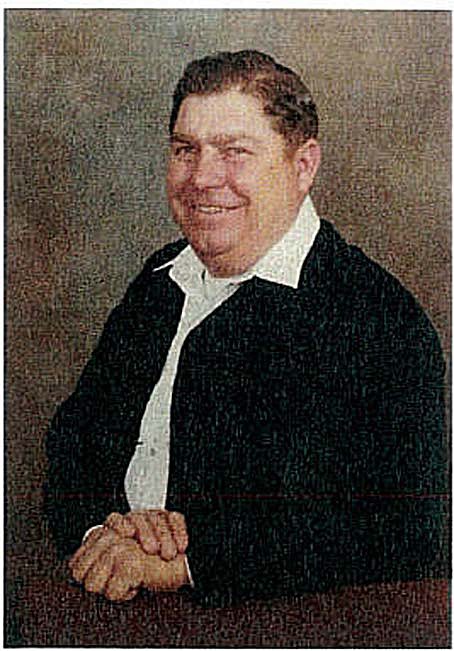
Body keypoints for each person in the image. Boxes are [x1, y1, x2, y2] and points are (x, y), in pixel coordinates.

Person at [45, 50, 448, 607]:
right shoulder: (159, 282)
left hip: (276, 628)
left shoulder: (376, 319)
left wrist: (187, 562)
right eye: (185, 150)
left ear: (303, 166)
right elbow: (73, 449)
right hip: (116, 604)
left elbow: (402, 531)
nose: (202, 178)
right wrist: (108, 533)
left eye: (234, 152)